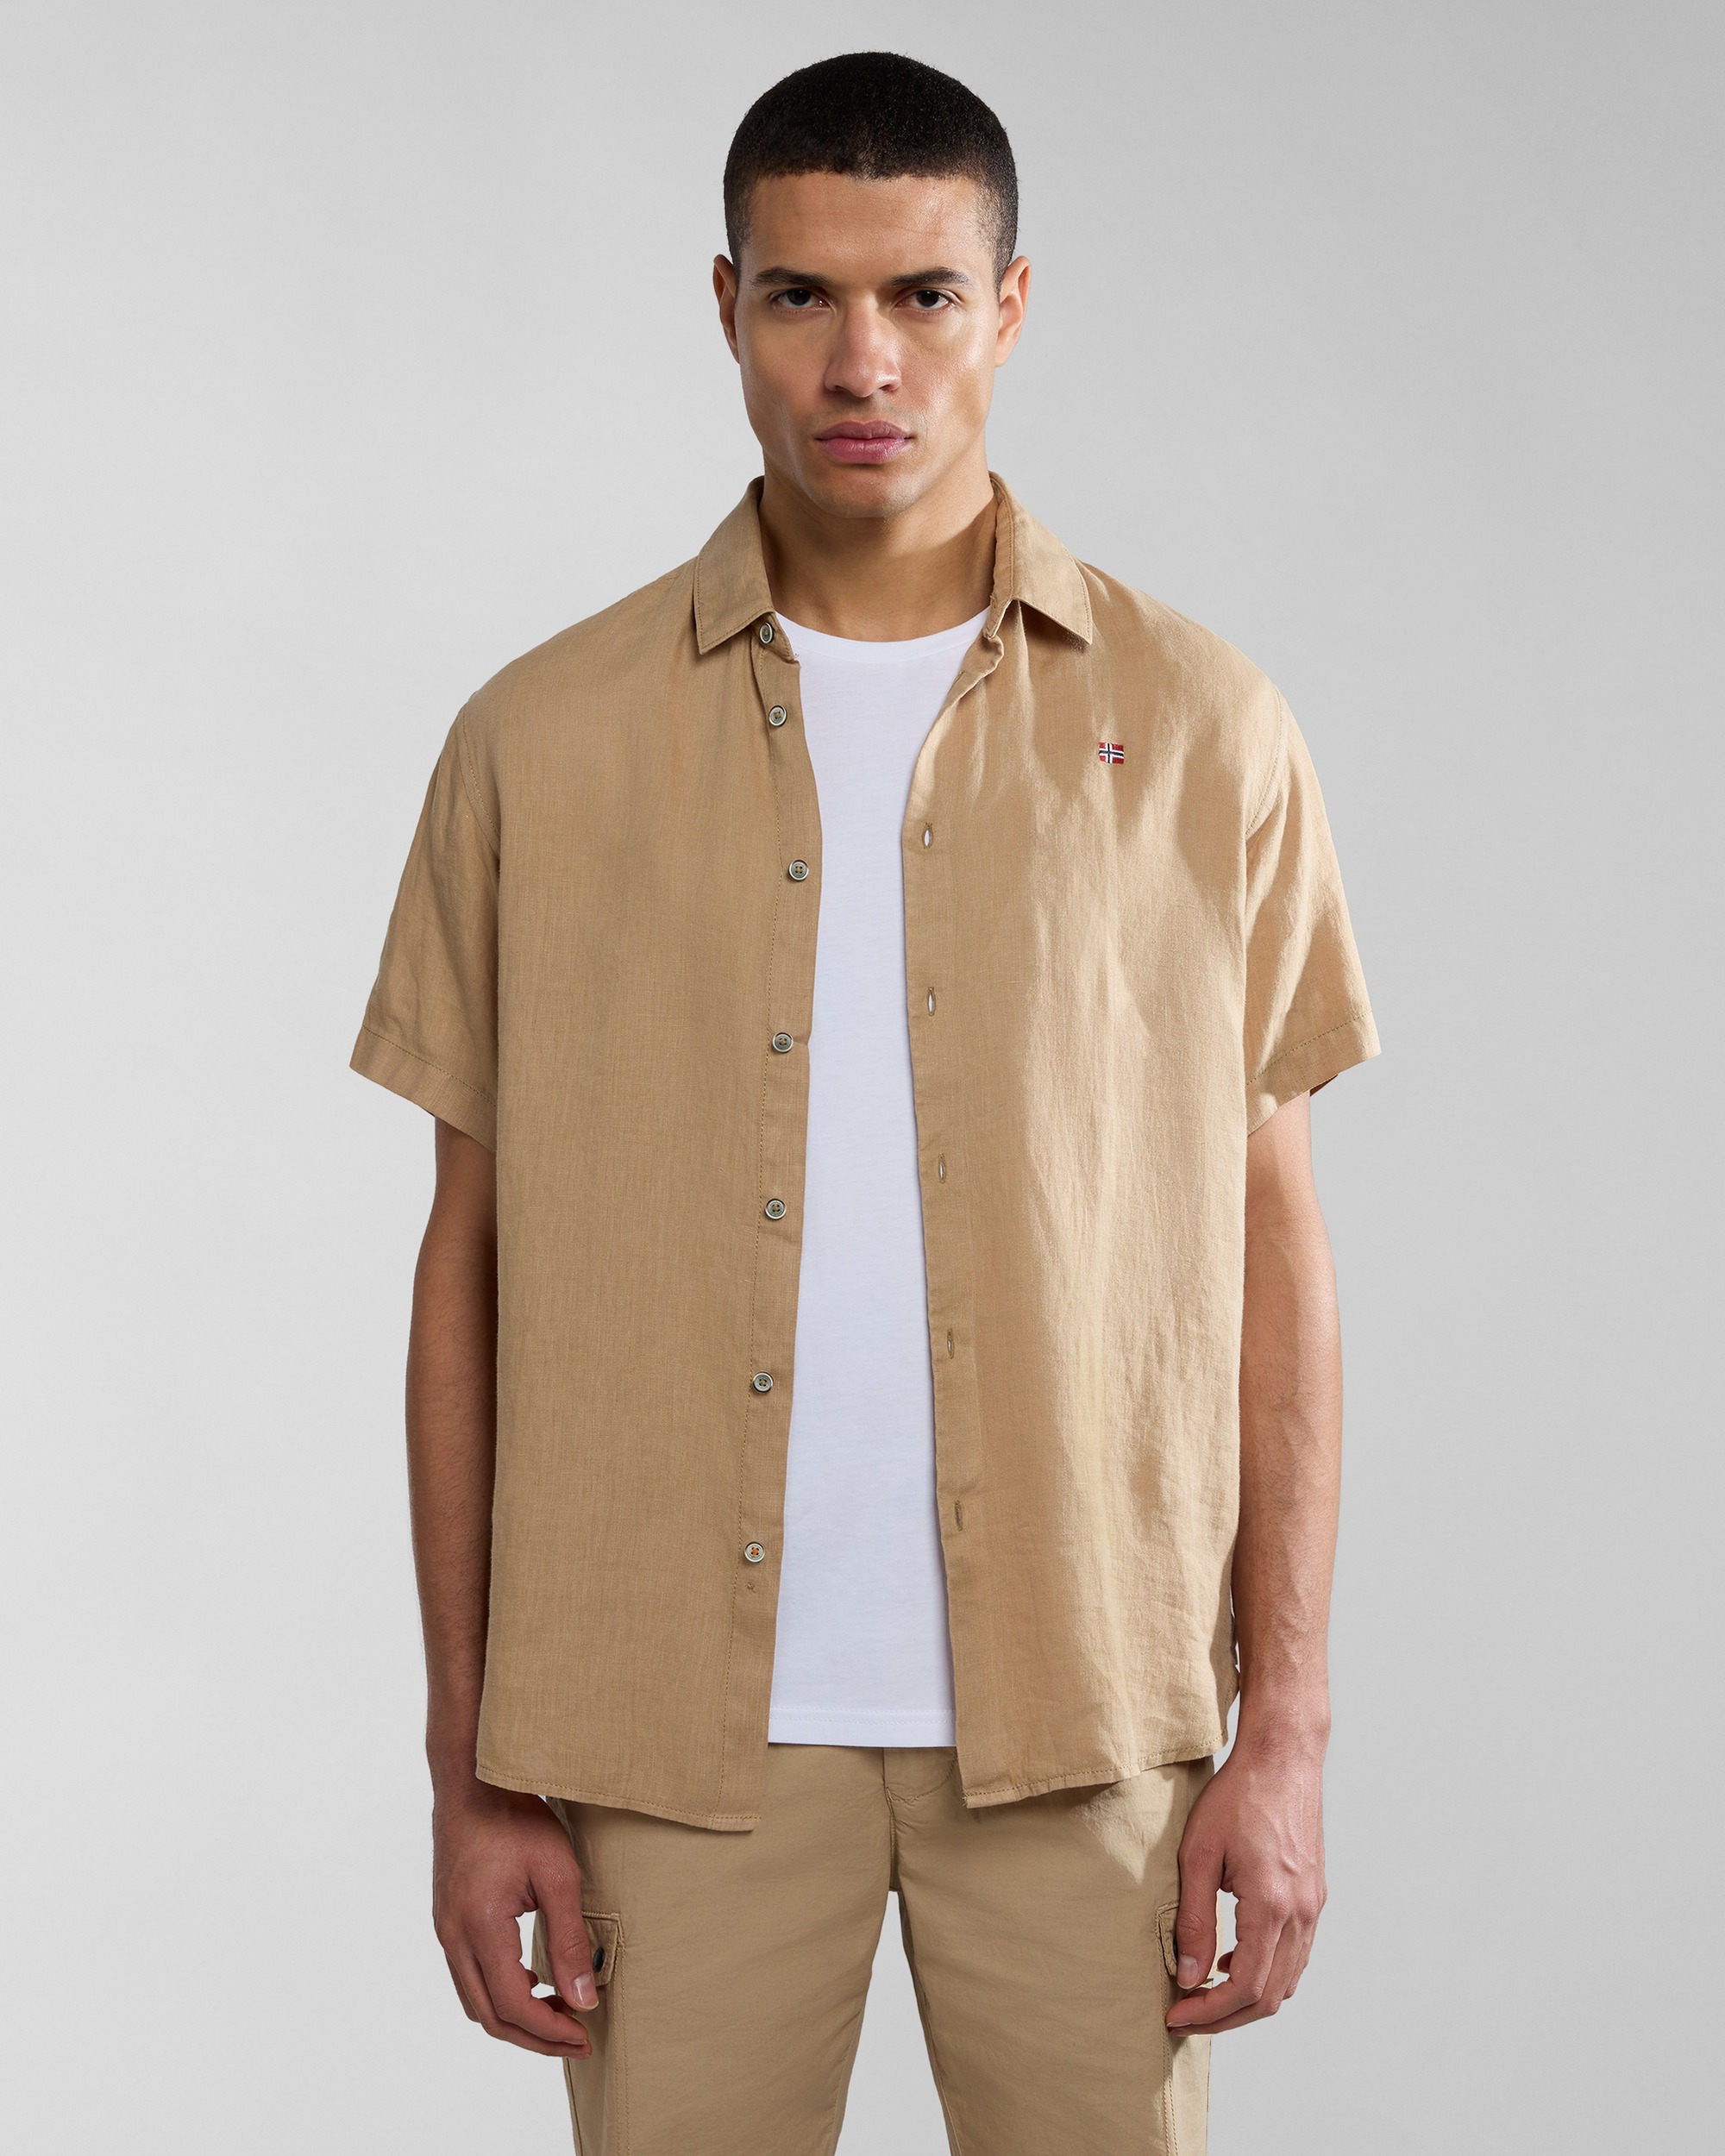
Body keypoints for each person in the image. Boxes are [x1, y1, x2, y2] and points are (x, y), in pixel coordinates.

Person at [352, 49, 1377, 2156]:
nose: (863, 361)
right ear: (725, 304)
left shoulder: (1202, 729)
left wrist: (1283, 1732)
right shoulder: (538, 743)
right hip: (660, 1744)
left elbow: (1271, 1255)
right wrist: (468, 1764)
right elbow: (466, 1273)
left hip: (1089, 1728)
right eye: (803, 295)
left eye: (922, 294)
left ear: (1011, 307)